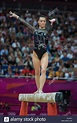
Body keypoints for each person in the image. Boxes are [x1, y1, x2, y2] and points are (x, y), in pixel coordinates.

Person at [9, 11, 56, 93]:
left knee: (43, 70)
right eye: (41, 21)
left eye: (44, 21)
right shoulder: (34, 30)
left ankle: (41, 89)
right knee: (37, 72)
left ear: (46, 22)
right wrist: (16, 16)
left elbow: (52, 27)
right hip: (35, 54)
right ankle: (38, 89)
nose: (42, 22)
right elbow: (25, 23)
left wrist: (52, 22)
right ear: (38, 22)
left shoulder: (47, 31)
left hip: (44, 53)